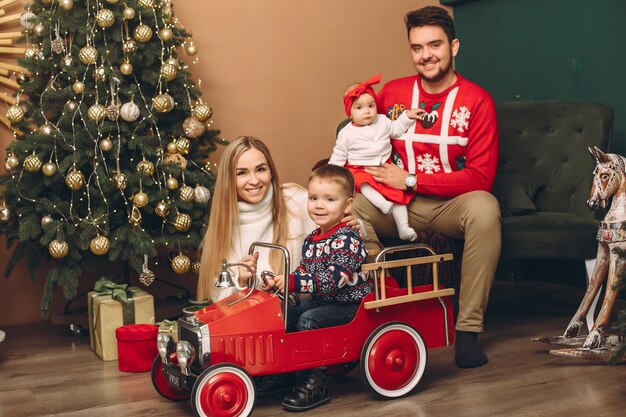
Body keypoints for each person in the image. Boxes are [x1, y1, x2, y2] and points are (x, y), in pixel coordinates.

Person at [351, 6, 501, 369]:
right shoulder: (392, 93)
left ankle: (466, 331)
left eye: (434, 45)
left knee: (485, 208)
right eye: (417, 48)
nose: (426, 55)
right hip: (400, 204)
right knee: (351, 209)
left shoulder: (477, 101)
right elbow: (363, 135)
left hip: (452, 205)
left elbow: (481, 177)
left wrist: (413, 180)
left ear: (454, 46)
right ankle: (380, 308)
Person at [264, 164, 371, 412]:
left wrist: (294, 283)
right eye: (313, 198)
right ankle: (289, 372)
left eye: (329, 199)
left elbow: (333, 279)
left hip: (350, 304)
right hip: (325, 301)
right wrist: (282, 281)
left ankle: (316, 382)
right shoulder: (312, 239)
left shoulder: (348, 239)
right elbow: (306, 271)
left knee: (310, 320)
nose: (319, 205)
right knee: (287, 312)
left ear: (347, 205)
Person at [197, 136, 317, 303]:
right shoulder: (222, 225)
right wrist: (241, 281)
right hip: (255, 323)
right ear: (228, 179)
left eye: (260, 169)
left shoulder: (297, 201)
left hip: (303, 318)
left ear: (271, 171)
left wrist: (354, 225)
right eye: (242, 173)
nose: (254, 181)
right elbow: (218, 302)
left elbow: (344, 235)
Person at [329, 74, 425, 241]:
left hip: (385, 167)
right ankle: (380, 203)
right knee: (362, 181)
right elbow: (339, 155)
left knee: (398, 194)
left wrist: (407, 117)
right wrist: (330, 173)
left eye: (371, 105)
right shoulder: (347, 133)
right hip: (361, 169)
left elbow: (396, 129)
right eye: (359, 108)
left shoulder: (383, 121)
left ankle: (403, 227)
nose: (367, 111)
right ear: (350, 113)